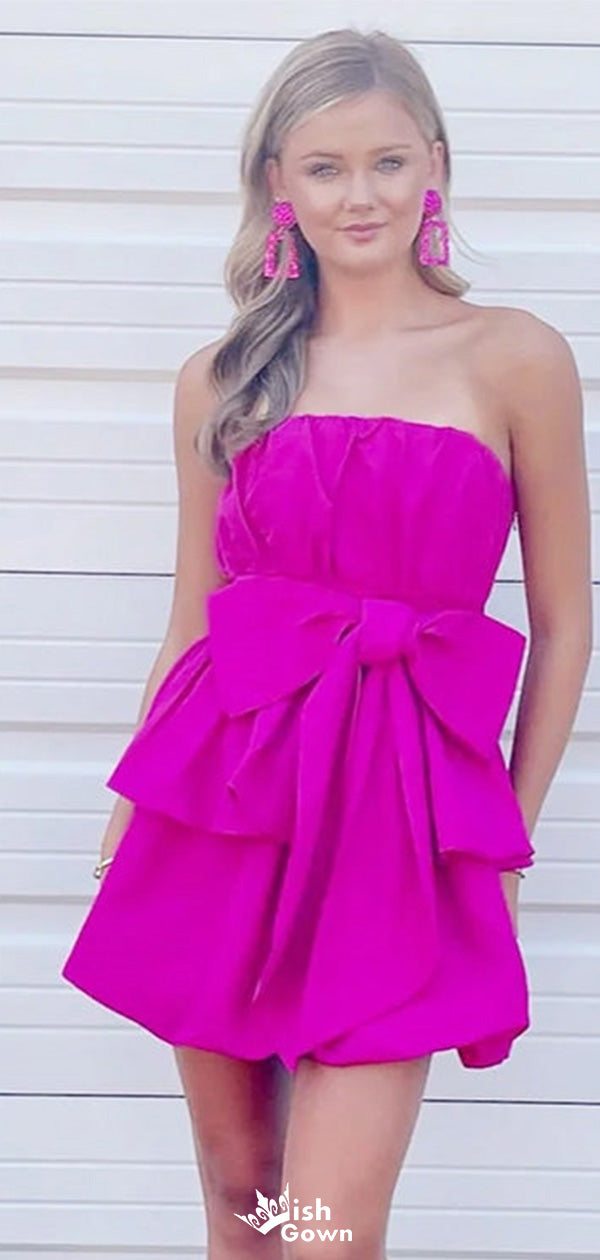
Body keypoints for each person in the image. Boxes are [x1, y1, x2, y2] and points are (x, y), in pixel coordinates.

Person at [61, 27, 593, 1260]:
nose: (361, 195)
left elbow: (566, 623)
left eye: (388, 162)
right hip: (223, 796)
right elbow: (193, 618)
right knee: (243, 1190)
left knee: (329, 1232)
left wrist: (504, 842)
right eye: (325, 166)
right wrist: (132, 809)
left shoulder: (515, 355)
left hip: (403, 815)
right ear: (278, 185)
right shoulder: (222, 378)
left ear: (436, 167)